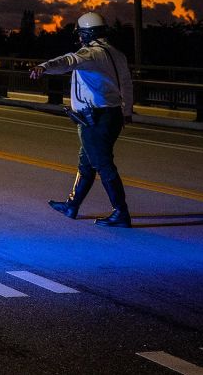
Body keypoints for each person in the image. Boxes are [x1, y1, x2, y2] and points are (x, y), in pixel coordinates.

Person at [29, 12, 135, 228]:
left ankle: (121, 213)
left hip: (94, 119)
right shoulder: (117, 54)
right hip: (112, 116)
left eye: (81, 34)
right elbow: (127, 84)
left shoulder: (91, 54)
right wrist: (127, 112)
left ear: (88, 34)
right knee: (87, 163)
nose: (79, 39)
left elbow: (69, 60)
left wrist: (44, 67)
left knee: (104, 165)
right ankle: (72, 205)